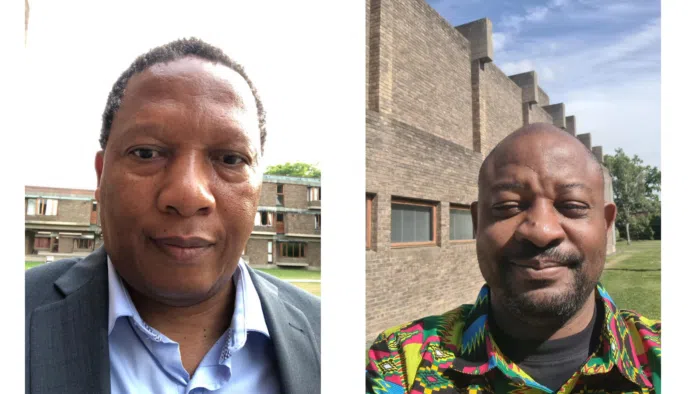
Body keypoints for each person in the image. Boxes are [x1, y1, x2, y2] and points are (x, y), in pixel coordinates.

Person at [25, 38, 320, 394]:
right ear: (101, 177)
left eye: (229, 159)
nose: (188, 195)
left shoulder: (328, 334)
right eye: (147, 153)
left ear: (259, 186)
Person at [366, 123, 660, 393]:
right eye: (508, 206)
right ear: (477, 222)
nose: (542, 231)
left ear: (607, 225)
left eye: (571, 206)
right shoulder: (400, 362)